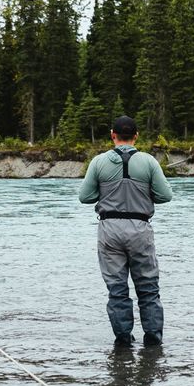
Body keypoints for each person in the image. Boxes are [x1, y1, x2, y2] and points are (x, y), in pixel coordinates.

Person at [77, 115, 173, 345]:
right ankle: (153, 339)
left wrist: (106, 192)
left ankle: (123, 340)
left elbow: (85, 197)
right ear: (136, 136)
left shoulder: (98, 162)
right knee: (148, 287)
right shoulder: (149, 162)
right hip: (140, 228)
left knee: (117, 289)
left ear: (113, 135)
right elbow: (165, 196)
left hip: (109, 229)